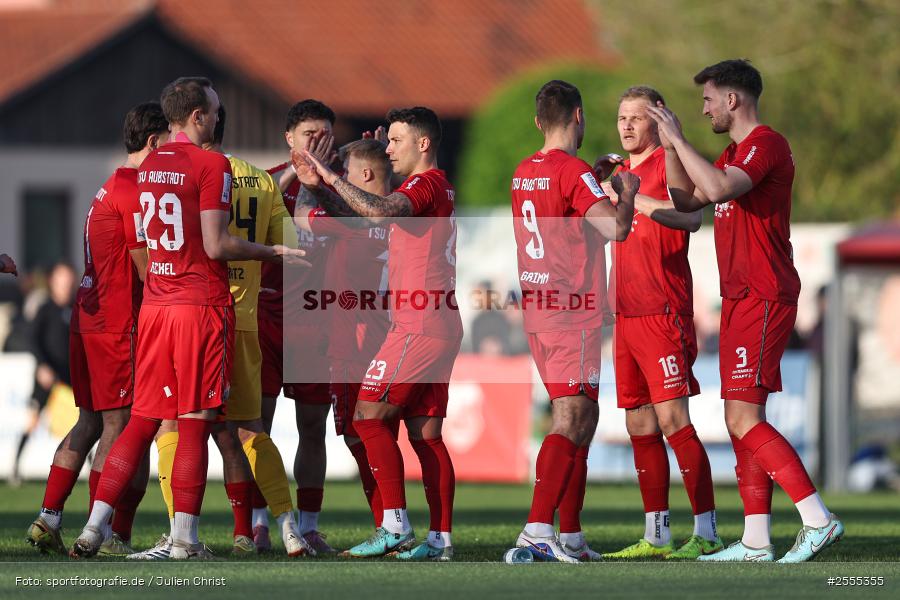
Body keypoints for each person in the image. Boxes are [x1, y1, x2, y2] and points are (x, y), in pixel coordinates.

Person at [71, 76, 305, 560]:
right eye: (215, 111)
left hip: (155, 305)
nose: (219, 119)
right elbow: (218, 245)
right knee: (196, 426)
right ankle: (185, 541)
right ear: (197, 116)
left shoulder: (150, 164)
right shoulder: (212, 163)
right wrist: (271, 252)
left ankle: (94, 527)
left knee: (142, 423)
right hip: (200, 308)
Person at [647, 59, 843, 562]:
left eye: (708, 99)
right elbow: (687, 201)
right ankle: (756, 540)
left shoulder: (765, 144)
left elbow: (714, 190)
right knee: (742, 417)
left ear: (732, 99)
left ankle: (817, 519)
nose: (704, 108)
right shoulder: (734, 151)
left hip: (763, 292)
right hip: (740, 297)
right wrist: (672, 147)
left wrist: (679, 140)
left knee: (742, 418)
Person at [132, 104, 310, 559]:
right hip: (246, 320)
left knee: (173, 426)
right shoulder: (260, 178)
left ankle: (178, 535)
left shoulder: (178, 172)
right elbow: (290, 245)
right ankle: (283, 529)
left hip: (194, 315)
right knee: (246, 432)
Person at [295, 106, 462, 561]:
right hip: (435, 321)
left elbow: (376, 209)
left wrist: (328, 177)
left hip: (418, 323)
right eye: (386, 144)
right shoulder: (427, 189)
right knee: (426, 435)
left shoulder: (424, 184)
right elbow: (367, 214)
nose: (389, 151)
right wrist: (334, 183)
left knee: (367, 418)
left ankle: (392, 526)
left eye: (397, 141)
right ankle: (439, 541)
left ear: (422, 144)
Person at [24, 103, 165, 557]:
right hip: (117, 324)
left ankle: (49, 517)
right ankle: (101, 530)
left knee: (89, 422)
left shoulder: (109, 187)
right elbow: (145, 264)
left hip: (89, 320)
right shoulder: (135, 191)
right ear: (153, 142)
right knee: (121, 424)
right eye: (167, 144)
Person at [510, 80, 640, 562]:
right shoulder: (573, 170)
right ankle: (537, 529)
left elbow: (574, 237)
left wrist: (595, 184)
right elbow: (617, 228)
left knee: (583, 413)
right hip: (570, 312)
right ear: (579, 116)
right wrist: (624, 191)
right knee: (572, 416)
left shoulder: (525, 170)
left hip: (540, 309)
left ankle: (570, 535)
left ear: (538, 121)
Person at [593, 86, 721, 560]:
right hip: (625, 314)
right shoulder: (621, 173)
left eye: (635, 118)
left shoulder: (667, 165)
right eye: (621, 117)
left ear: (658, 122)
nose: (625, 125)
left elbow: (691, 219)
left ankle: (707, 530)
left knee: (673, 420)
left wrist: (635, 199)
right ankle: (657, 534)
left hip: (663, 311)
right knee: (639, 424)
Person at [294, 138, 391, 533]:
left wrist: (309, 176)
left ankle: (390, 524)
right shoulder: (406, 214)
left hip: (353, 348)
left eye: (349, 172)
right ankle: (429, 529)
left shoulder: (349, 226)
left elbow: (302, 215)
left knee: (359, 439)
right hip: (394, 343)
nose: (343, 181)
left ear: (365, 175)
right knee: (396, 438)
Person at [257, 100, 336, 552]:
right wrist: (299, 170)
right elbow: (261, 194)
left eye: (324, 134)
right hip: (266, 317)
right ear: (290, 138)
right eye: (309, 134)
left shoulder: (337, 184)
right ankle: (257, 524)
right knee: (259, 428)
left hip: (314, 320)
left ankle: (307, 525)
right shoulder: (268, 180)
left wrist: (328, 174)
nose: (317, 143)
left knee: (313, 427)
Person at [12, 262, 77, 485]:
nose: (66, 285)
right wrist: (41, 366)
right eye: (61, 280)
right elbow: (31, 339)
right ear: (53, 282)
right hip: (46, 376)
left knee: (82, 422)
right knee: (33, 418)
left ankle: (85, 466)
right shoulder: (45, 309)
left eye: (69, 280)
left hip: (69, 376)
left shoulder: (76, 307)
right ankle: (16, 468)